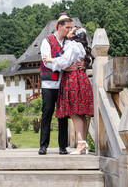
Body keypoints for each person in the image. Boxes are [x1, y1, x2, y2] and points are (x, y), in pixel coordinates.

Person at [43, 26, 94, 155]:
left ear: (74, 35)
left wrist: (51, 60)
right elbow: (90, 59)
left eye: (72, 30)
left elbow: (65, 62)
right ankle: (83, 143)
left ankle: (81, 144)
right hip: (80, 78)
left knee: (75, 113)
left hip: (72, 79)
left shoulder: (72, 45)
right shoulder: (81, 46)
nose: (69, 31)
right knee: (80, 113)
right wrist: (86, 64)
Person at [39, 13, 79, 155]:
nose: (69, 30)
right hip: (49, 83)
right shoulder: (47, 41)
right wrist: (63, 66)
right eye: (67, 27)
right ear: (60, 26)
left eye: (70, 27)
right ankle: (43, 146)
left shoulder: (69, 43)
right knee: (47, 112)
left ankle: (63, 147)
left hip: (64, 83)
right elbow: (46, 62)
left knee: (63, 115)